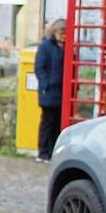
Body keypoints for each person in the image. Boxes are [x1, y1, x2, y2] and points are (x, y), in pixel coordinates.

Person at [36, 18, 66, 162]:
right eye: (61, 32)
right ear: (55, 32)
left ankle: (54, 151)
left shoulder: (67, 47)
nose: (64, 36)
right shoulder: (46, 47)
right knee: (47, 122)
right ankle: (42, 152)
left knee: (58, 124)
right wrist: (45, 84)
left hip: (63, 91)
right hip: (49, 90)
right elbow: (39, 67)